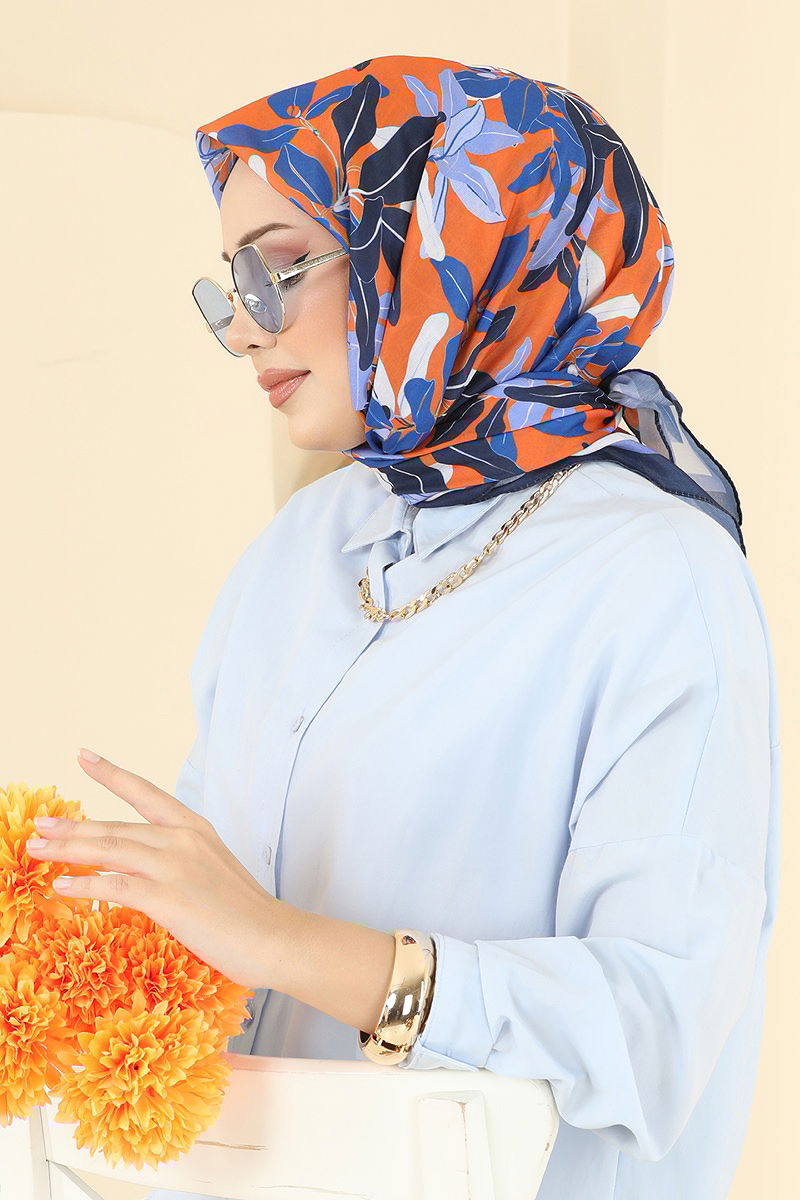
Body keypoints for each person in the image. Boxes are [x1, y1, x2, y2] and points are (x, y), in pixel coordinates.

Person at [145, 53, 780, 1200]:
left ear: (446, 246)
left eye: (276, 270)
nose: (242, 329)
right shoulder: (301, 548)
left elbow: (651, 1035)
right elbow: (211, 935)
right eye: (229, 286)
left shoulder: (658, 577)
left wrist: (285, 943)